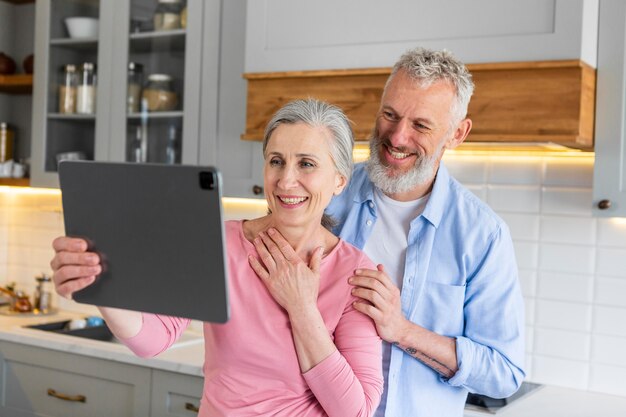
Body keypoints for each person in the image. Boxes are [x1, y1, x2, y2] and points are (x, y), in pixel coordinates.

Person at [49, 99, 383, 417]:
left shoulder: (354, 273)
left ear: (340, 180)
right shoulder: (220, 242)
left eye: (306, 164)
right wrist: (101, 285)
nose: (286, 180)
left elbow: (355, 410)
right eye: (276, 161)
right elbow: (153, 340)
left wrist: (302, 308)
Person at [255, 48, 526, 416]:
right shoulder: (324, 191)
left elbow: (503, 373)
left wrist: (402, 330)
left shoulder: (482, 236)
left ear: (456, 133)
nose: (397, 137)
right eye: (390, 115)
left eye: (421, 125)